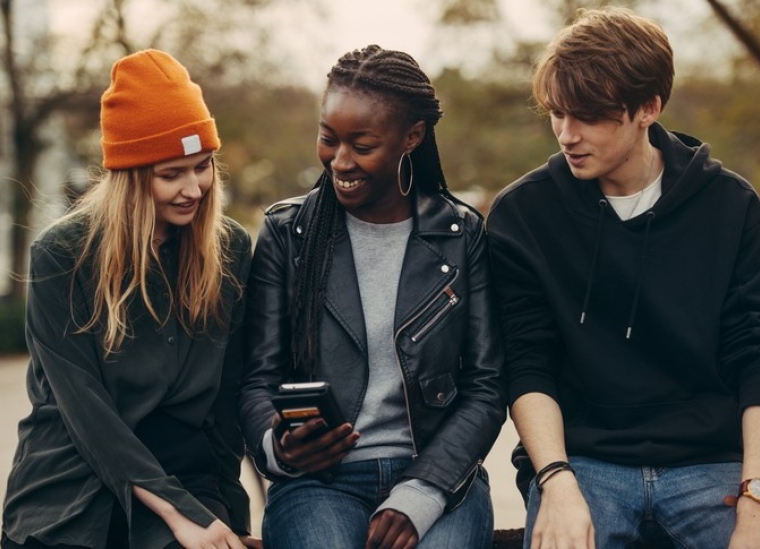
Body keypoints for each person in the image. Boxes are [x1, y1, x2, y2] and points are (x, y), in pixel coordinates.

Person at [486, 6, 760, 548]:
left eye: (588, 115)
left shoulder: (731, 207)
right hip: (584, 463)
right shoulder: (524, 215)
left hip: (713, 464)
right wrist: (555, 480)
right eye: (557, 114)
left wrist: (754, 499)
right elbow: (526, 362)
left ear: (648, 108)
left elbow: (754, 356)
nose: (566, 135)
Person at [237, 44, 507, 549]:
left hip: (438, 476)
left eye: (362, 144)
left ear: (412, 136)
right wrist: (282, 447)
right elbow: (257, 379)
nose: (340, 160)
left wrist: (423, 492)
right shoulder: (287, 232)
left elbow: (487, 387)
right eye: (328, 139)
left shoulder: (460, 232)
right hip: (320, 485)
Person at [1, 49, 261, 548]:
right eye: (172, 173)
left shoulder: (229, 249)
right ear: (132, 175)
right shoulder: (62, 255)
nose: (194, 189)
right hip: (72, 481)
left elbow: (226, 403)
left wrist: (226, 513)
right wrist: (180, 513)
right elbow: (85, 410)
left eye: (203, 166)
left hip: (187, 473)